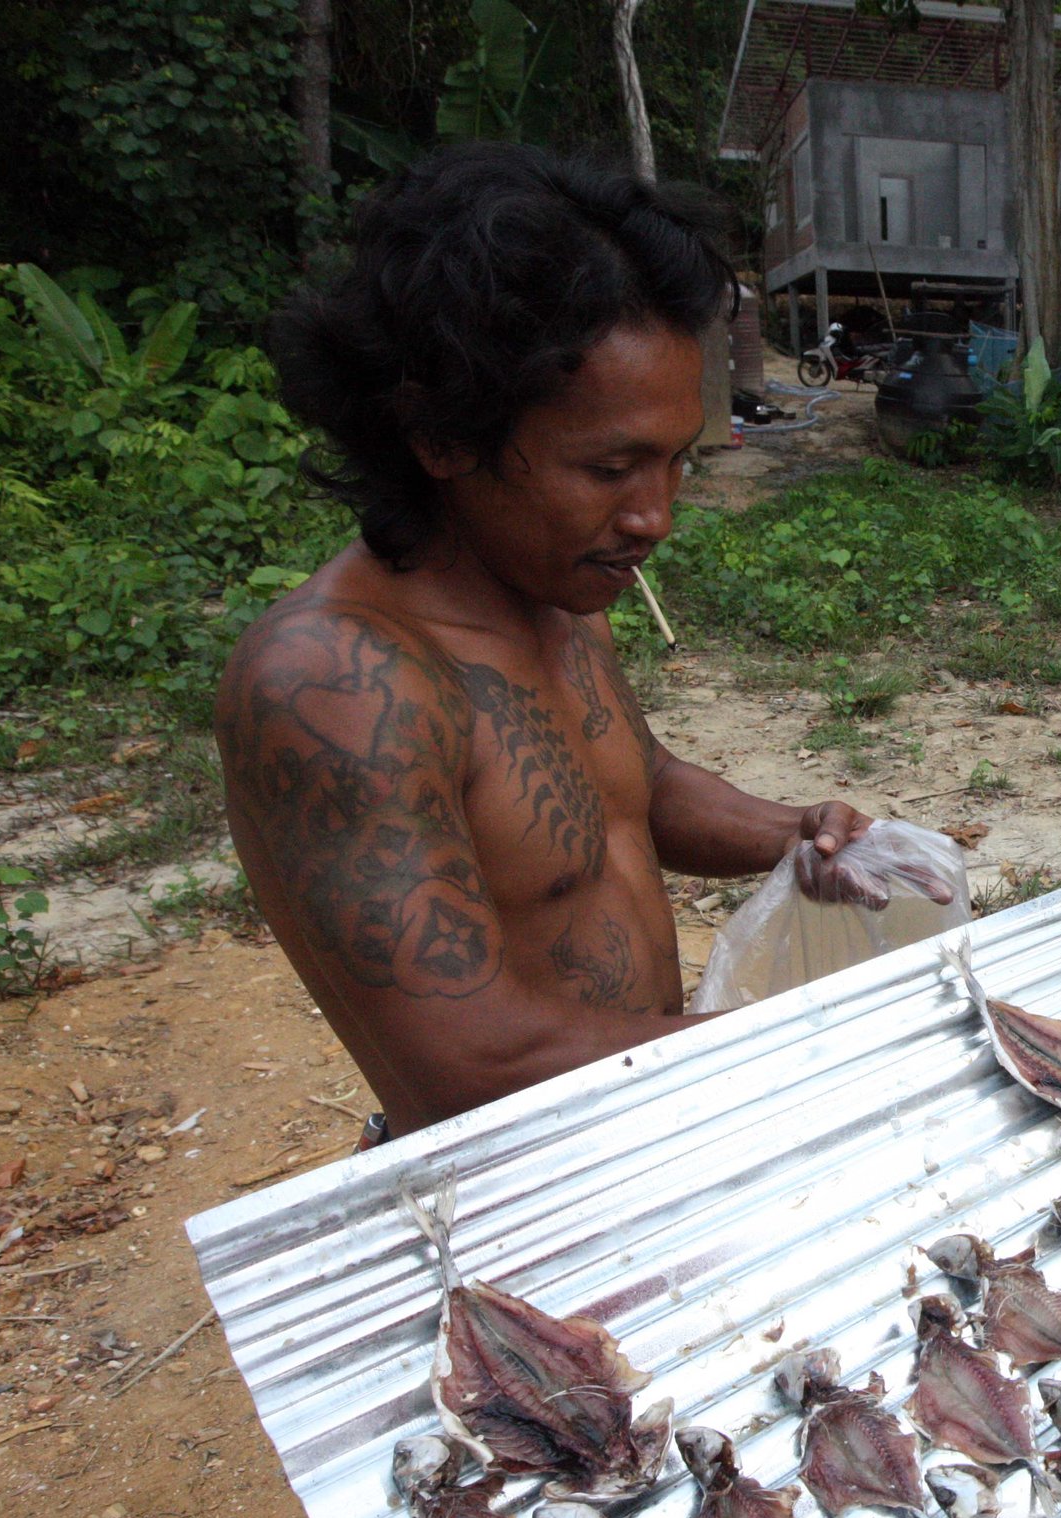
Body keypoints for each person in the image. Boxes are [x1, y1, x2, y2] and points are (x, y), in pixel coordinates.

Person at [220, 145, 872, 1140]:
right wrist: (801, 1042)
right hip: (510, 1181)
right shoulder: (338, 683)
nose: (655, 517)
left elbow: (633, 787)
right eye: (610, 468)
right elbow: (467, 1064)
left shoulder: (555, 593)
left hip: (644, 1117)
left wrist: (792, 831)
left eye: (676, 462)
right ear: (441, 435)